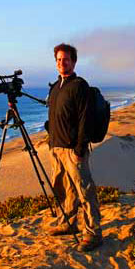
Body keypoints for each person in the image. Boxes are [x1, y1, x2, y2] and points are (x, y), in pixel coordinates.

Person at [47, 43, 102, 252]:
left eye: (66, 59)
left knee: (84, 191)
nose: (62, 63)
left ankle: (94, 233)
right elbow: (55, 115)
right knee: (64, 189)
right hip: (56, 147)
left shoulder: (80, 85)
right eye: (59, 60)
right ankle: (68, 223)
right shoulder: (55, 87)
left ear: (74, 61)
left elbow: (84, 120)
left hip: (73, 149)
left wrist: (80, 148)